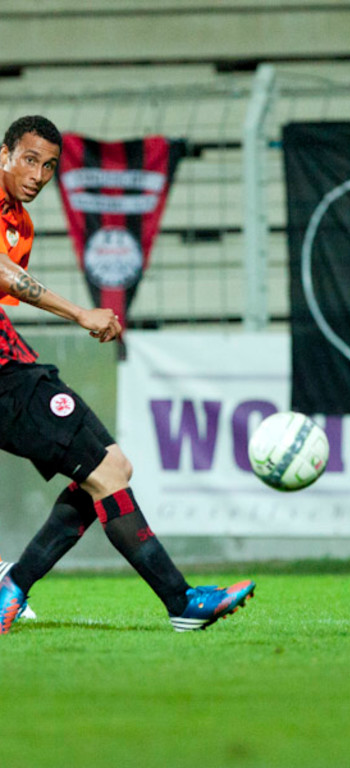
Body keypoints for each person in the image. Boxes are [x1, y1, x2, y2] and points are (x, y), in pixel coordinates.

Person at [0, 115, 254, 634]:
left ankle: (14, 584)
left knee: (112, 467)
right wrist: (81, 312)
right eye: (29, 159)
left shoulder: (20, 224)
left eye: (49, 166)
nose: (38, 175)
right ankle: (181, 601)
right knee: (106, 471)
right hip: (5, 375)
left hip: (12, 365)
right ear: (4, 153)